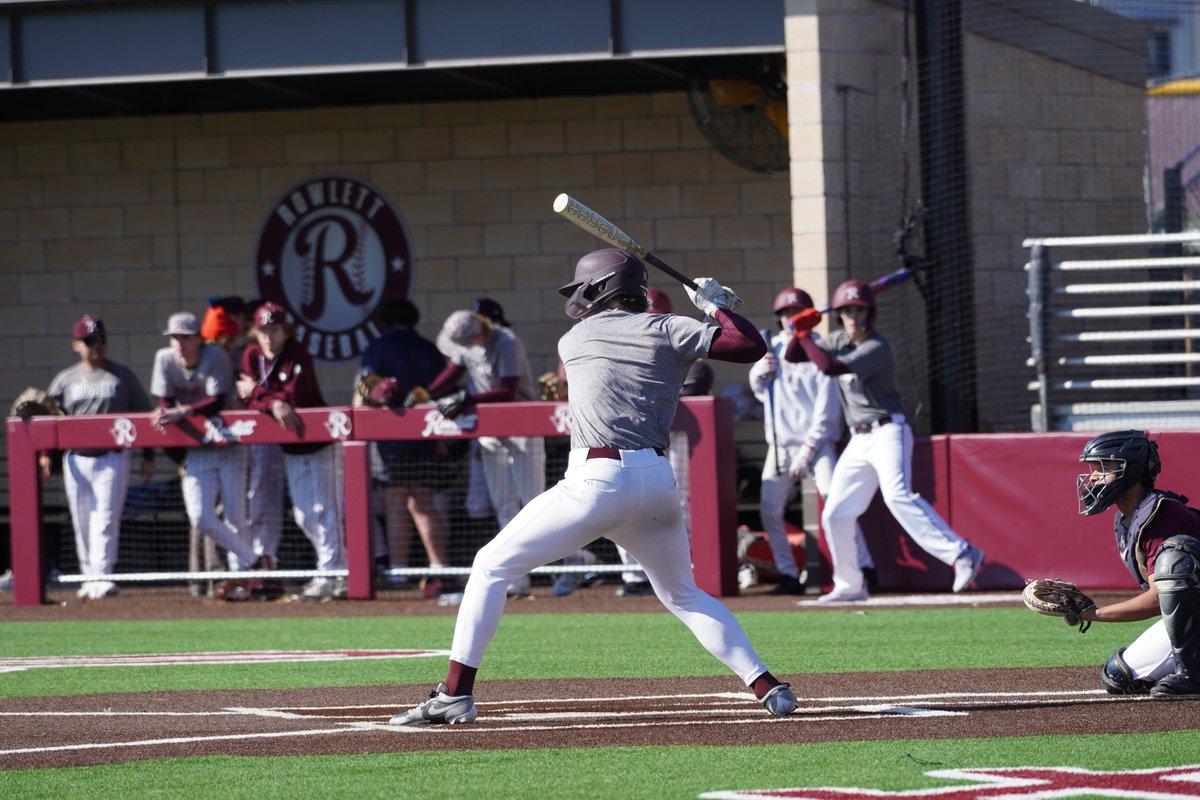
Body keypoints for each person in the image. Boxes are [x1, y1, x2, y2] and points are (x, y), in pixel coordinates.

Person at [390, 248, 798, 725]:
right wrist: (713, 305)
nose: (577, 299)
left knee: (490, 566)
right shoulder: (667, 328)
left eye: (584, 289)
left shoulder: (575, 338)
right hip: (657, 484)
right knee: (685, 595)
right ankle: (767, 685)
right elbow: (748, 345)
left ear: (600, 290)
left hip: (597, 481)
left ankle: (455, 693)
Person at [785, 279, 984, 602]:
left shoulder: (877, 347)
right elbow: (795, 357)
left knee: (897, 495)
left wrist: (806, 334)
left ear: (869, 314)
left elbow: (830, 368)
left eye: (858, 310)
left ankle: (962, 553)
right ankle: (850, 583)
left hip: (888, 430)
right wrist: (799, 330)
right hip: (859, 438)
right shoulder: (838, 338)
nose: (853, 316)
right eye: (847, 310)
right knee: (835, 513)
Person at [749, 287, 875, 595]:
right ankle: (788, 573)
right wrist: (757, 373)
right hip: (781, 445)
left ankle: (865, 567)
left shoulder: (818, 348)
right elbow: (764, 395)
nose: (790, 319)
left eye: (795, 314)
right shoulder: (773, 348)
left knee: (837, 501)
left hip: (817, 445)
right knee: (769, 509)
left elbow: (827, 408)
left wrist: (809, 447)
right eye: (785, 315)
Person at [417, 307, 548, 598]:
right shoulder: (467, 347)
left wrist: (466, 398)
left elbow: (508, 390)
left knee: (533, 505)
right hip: (491, 434)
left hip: (523, 429)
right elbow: (451, 374)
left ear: (479, 333)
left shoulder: (506, 342)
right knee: (504, 505)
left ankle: (574, 562)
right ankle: (519, 577)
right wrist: (424, 395)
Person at [1072, 430, 1200, 699]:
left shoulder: (1163, 516)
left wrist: (1093, 614)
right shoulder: (1130, 517)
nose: (1094, 476)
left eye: (1105, 467)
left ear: (1130, 471)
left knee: (1173, 561)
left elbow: (1158, 599)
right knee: (1117, 677)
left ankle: (1192, 676)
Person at [236, 302, 346, 602]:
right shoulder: (251, 355)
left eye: (274, 330)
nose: (268, 337)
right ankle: (339, 568)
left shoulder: (298, 353)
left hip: (320, 442)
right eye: (263, 330)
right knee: (303, 516)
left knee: (325, 510)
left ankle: (331, 574)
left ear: (285, 331)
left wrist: (259, 393)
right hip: (292, 448)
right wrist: (271, 402)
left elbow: (293, 397)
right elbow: (247, 401)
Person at [150, 311, 265, 594]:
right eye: (175, 337)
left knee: (236, 515)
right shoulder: (164, 358)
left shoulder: (215, 356)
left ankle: (241, 579)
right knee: (200, 516)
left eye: (186, 338)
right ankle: (256, 563)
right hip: (198, 446)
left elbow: (215, 401)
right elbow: (165, 399)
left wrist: (180, 411)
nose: (179, 343)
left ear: (198, 339)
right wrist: (165, 412)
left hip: (228, 440)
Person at [44, 316, 154, 599]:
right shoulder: (65, 379)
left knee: (105, 517)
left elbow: (143, 415)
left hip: (112, 457)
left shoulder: (122, 376)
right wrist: (45, 455)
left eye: (101, 340)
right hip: (76, 458)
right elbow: (48, 419)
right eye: (90, 341)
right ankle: (88, 578)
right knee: (81, 520)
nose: (97, 346)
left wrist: (149, 456)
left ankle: (103, 576)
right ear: (76, 345)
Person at [354, 298, 454, 598]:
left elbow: (362, 393)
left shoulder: (379, 346)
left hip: (391, 435)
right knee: (423, 501)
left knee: (396, 502)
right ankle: (440, 568)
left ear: (384, 321)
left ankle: (399, 571)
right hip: (426, 434)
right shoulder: (428, 348)